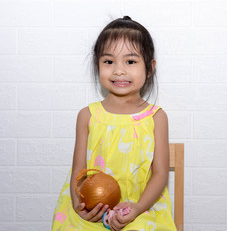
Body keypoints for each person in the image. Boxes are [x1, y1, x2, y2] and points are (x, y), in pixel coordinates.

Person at [52, 16, 176, 231]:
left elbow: (160, 174)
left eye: (130, 61)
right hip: (92, 206)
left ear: (149, 67)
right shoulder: (87, 115)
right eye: (109, 61)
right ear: (97, 64)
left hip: (140, 207)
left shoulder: (156, 117)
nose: (119, 70)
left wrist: (136, 209)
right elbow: (78, 170)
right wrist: (78, 204)